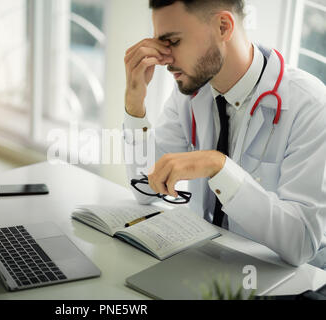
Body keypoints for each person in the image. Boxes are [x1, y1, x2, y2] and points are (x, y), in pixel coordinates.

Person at [122, 0, 326, 267]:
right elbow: (145, 190)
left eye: (173, 41)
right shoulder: (191, 92)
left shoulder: (310, 104)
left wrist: (219, 167)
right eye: (160, 44)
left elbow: (302, 244)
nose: (165, 59)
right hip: (207, 267)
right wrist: (135, 104)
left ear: (223, 26)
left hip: (284, 283)